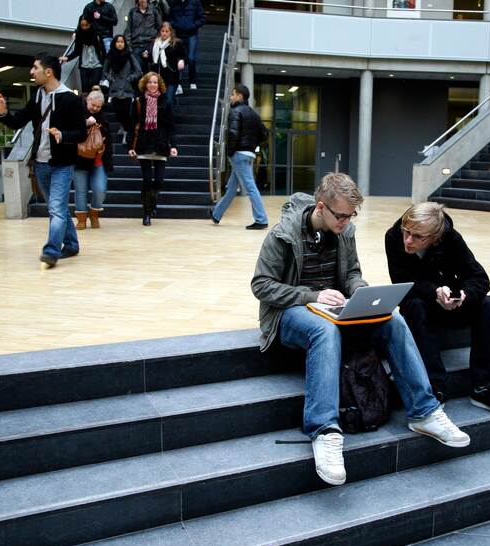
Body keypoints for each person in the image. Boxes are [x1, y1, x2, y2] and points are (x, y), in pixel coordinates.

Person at [251, 173, 469, 486]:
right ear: (321, 207)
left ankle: (424, 412)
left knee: (392, 319)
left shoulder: (345, 231)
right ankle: (324, 430)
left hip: (334, 309)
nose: (346, 221)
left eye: (351, 215)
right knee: (323, 331)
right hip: (289, 313)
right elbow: (261, 285)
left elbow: (352, 272)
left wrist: (361, 291)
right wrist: (311, 295)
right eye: (340, 215)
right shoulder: (282, 235)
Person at [385, 202, 490, 417]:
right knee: (414, 306)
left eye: (418, 237)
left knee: (486, 303)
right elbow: (402, 282)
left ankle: (484, 387)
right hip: (420, 304)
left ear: (435, 238)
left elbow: (480, 278)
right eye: (406, 232)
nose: (408, 240)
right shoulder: (393, 236)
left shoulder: (451, 238)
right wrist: (435, 291)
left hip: (451, 303)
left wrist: (463, 295)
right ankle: (435, 386)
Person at [0, 53, 87, 268]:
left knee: (56, 208)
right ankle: (71, 244)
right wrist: (3, 112)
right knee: (57, 207)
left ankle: (51, 251)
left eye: (35, 68)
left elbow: (81, 133)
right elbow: (17, 122)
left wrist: (63, 135)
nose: (32, 72)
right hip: (40, 164)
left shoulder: (70, 98)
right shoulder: (37, 96)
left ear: (48, 72)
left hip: (62, 164)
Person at [209, 85, 269, 229]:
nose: (231, 97)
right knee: (231, 188)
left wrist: (230, 152)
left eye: (233, 94)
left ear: (240, 96)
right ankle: (216, 214)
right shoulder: (254, 114)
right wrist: (252, 144)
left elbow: (233, 134)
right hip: (248, 154)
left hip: (239, 154)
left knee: (250, 187)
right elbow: (265, 134)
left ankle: (261, 219)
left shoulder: (235, 111)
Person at [129, 71, 177, 226]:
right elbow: (132, 125)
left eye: (155, 82)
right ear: (145, 83)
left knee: (159, 181)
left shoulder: (166, 101)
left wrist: (173, 145)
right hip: (144, 143)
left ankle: (152, 201)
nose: (152, 85)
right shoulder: (138, 101)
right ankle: (147, 212)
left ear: (159, 84)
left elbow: (170, 125)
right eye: (150, 82)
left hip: (161, 144)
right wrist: (131, 146)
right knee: (147, 180)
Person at [74, 88, 112, 229]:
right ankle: (81, 219)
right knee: (80, 190)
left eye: (98, 106)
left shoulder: (104, 118)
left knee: (100, 189)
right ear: (87, 101)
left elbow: (108, 140)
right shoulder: (77, 113)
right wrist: (85, 124)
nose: (95, 108)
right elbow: (72, 131)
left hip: (99, 159)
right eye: (93, 105)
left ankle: (94, 213)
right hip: (79, 158)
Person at [102, 34, 142, 145]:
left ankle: (126, 132)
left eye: (122, 42)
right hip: (115, 89)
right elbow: (104, 71)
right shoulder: (110, 56)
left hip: (127, 90)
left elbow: (138, 71)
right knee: (117, 111)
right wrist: (111, 79)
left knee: (126, 112)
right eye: (118, 42)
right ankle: (124, 127)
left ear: (125, 43)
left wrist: (129, 79)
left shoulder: (129, 55)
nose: (120, 44)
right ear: (114, 43)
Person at [167, 0, 206, 92]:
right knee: (178, 59)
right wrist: (176, 25)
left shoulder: (195, 2)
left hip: (192, 34)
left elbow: (203, 18)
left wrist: (193, 25)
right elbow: (169, 19)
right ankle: (179, 83)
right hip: (178, 35)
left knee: (191, 58)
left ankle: (192, 80)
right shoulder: (174, 3)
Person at [61, 16, 106, 94]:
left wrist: (105, 64)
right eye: (82, 25)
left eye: (86, 25)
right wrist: (67, 58)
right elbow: (76, 52)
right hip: (84, 65)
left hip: (97, 64)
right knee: (85, 88)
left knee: (95, 87)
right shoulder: (79, 35)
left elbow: (103, 51)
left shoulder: (97, 34)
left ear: (90, 24)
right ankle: (85, 105)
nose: (84, 27)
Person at [148, 21, 186, 104]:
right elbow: (151, 57)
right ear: (160, 32)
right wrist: (146, 55)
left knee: (169, 100)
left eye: (167, 31)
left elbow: (184, 56)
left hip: (171, 76)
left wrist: (181, 61)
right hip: (157, 77)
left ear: (171, 32)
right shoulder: (155, 43)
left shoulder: (177, 43)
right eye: (162, 31)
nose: (164, 33)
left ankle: (169, 115)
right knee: (157, 102)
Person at [126, 0, 163, 75]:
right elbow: (128, 29)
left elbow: (160, 28)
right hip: (136, 44)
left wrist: (156, 43)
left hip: (151, 43)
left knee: (152, 71)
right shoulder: (132, 12)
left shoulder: (154, 11)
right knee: (138, 70)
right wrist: (129, 45)